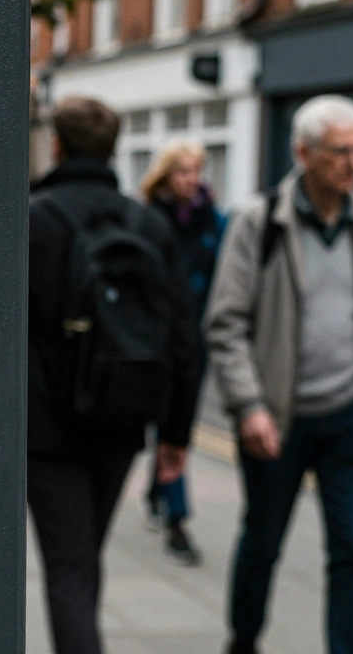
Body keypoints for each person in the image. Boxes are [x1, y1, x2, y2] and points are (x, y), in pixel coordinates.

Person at [205, 94, 353, 654]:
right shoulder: (258, 223)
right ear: (303, 152)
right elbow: (225, 324)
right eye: (340, 151)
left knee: (352, 551)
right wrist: (249, 406)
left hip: (352, 417)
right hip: (277, 420)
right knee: (262, 544)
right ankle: (242, 642)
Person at [28, 96, 201, 654]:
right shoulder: (147, 225)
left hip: (46, 430)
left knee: (69, 567)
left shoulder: (32, 218)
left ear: (57, 144)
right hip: (122, 417)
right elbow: (184, 339)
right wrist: (175, 435)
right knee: (85, 557)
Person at [137, 140, 226, 565]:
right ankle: (175, 516)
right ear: (166, 175)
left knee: (179, 426)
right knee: (168, 424)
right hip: (159, 340)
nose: (191, 179)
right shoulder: (150, 219)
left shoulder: (214, 221)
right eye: (183, 171)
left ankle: (165, 500)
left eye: (196, 170)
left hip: (196, 341)